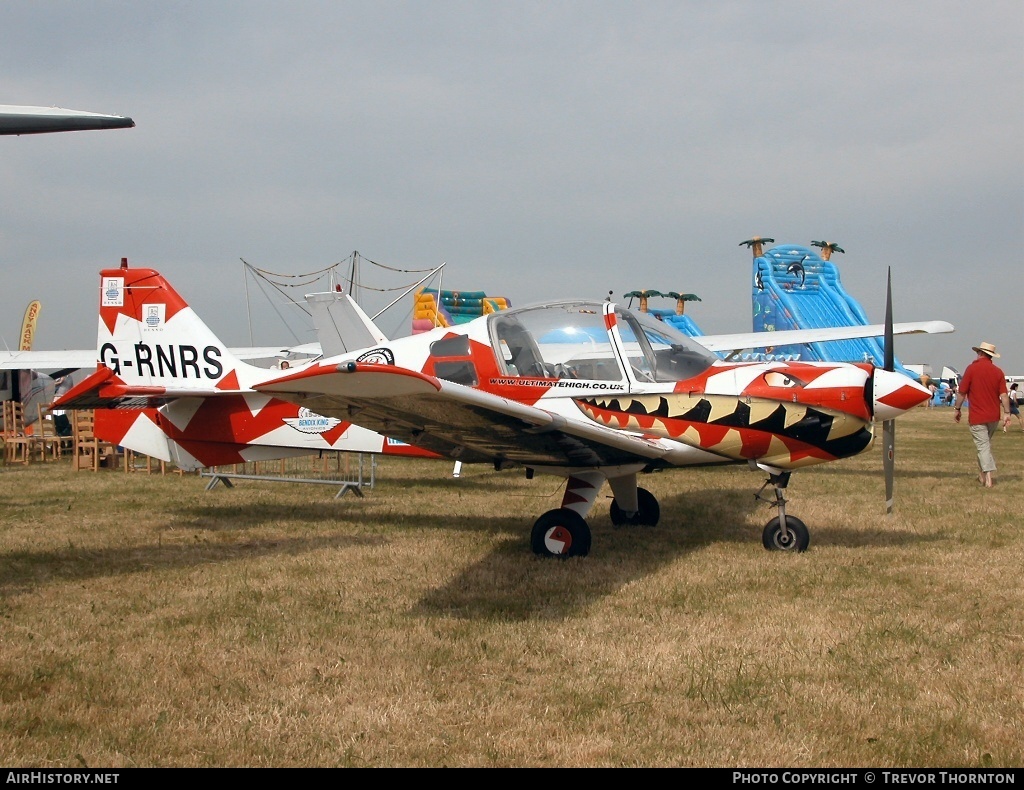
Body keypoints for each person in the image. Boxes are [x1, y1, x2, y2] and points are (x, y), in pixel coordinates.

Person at [953, 342, 1011, 488]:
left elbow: (962, 392)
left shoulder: (972, 369)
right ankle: (982, 475)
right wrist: (1007, 413)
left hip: (978, 416)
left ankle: (989, 478)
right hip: (993, 416)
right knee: (984, 446)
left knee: (983, 446)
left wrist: (957, 408)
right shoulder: (998, 372)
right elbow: (1004, 395)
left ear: (979, 353)